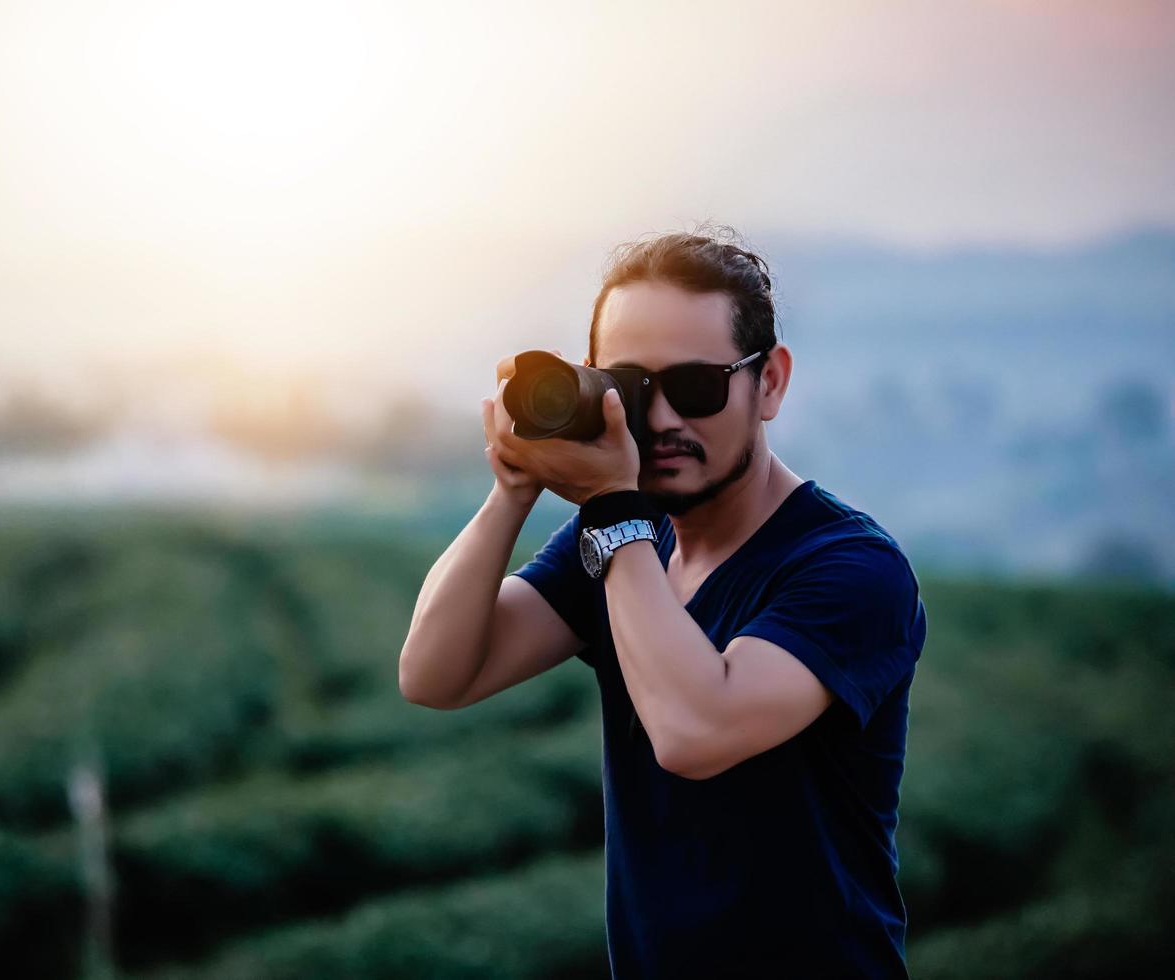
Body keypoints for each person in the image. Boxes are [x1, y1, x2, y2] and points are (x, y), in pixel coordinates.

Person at [398, 227, 929, 979]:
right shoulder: (627, 541)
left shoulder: (851, 569)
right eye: (634, 388)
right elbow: (435, 673)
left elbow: (693, 731)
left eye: (698, 386)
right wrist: (513, 488)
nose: (665, 421)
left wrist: (612, 508)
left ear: (769, 383)